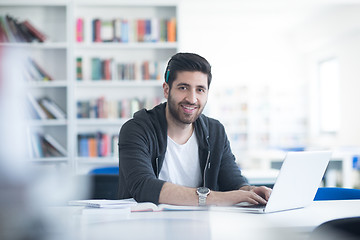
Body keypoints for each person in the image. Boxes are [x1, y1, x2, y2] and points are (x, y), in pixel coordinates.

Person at [118, 52, 271, 206]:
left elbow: (233, 182)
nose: (192, 99)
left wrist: (250, 191)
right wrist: (217, 198)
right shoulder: (136, 129)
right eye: (183, 87)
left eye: (200, 90)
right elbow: (143, 187)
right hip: (146, 225)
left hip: (199, 225)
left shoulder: (215, 131)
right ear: (166, 90)